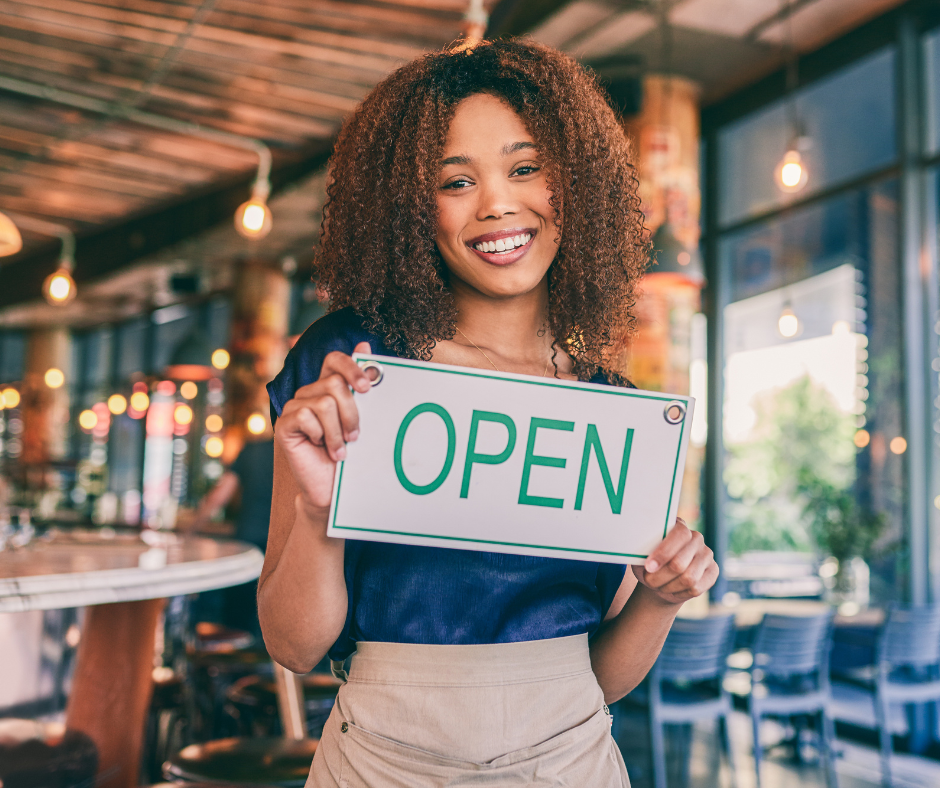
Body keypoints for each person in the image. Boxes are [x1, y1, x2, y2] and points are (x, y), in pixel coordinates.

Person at [262, 39, 718, 787]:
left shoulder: (616, 414)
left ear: (574, 183)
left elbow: (600, 680)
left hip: (572, 760)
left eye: (526, 167)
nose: (498, 203)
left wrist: (661, 601)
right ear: (413, 208)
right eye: (454, 180)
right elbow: (293, 646)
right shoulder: (351, 365)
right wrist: (320, 513)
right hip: (380, 762)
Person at [190, 436, 274, 637]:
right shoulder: (306, 451)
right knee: (271, 623)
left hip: (247, 548)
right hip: (284, 550)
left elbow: (219, 496)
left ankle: (239, 662)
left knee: (238, 622)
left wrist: (191, 528)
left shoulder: (253, 450)